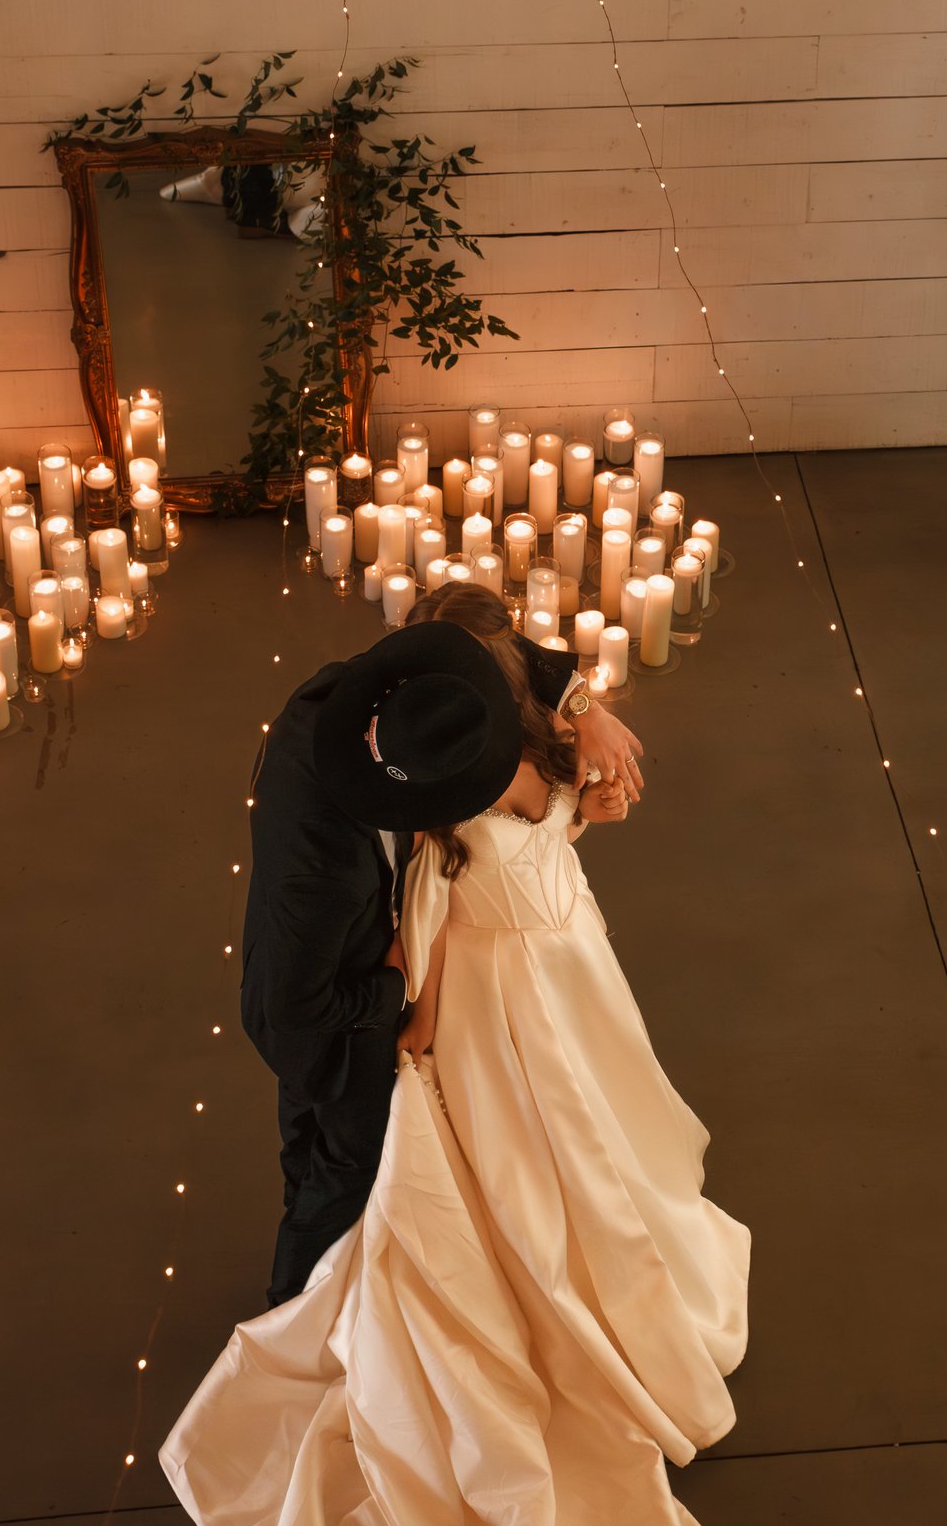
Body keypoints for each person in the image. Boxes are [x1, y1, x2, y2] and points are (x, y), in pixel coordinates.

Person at [167, 583, 747, 1525]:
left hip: (566, 982)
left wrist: (588, 723)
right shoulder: (368, 827)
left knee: (587, 1152)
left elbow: (498, 641)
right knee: (356, 1168)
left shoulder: (458, 708)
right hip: (364, 1024)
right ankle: (306, 1304)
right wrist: (406, 996)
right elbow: (322, 999)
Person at [237, 602, 644, 1310]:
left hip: (365, 957)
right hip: (328, 1014)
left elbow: (485, 638)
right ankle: (292, 1309)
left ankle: (312, 1225)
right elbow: (301, 1005)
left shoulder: (352, 693)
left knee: (306, 1148)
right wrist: (397, 983)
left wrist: (584, 703)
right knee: (345, 1163)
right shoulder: (327, 872)